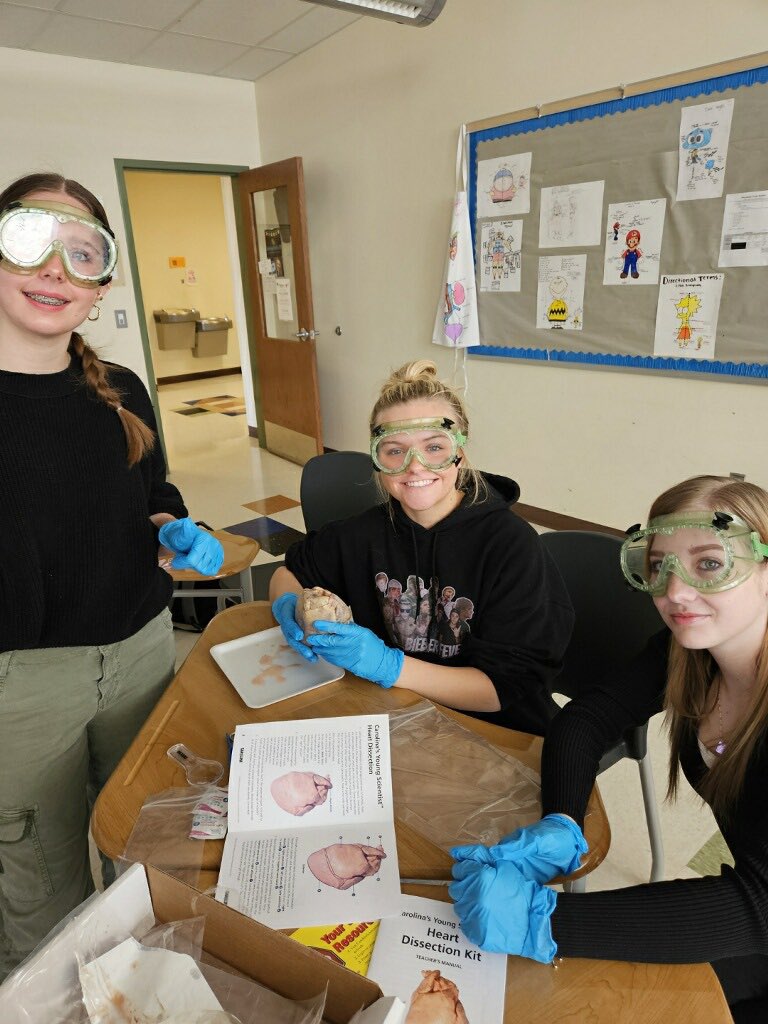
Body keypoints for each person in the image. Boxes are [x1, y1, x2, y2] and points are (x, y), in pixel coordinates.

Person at [0, 172, 223, 979]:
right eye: (30, 241)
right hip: (20, 688)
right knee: (40, 884)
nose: (56, 269)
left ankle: (144, 987)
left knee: (146, 841)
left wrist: (171, 527)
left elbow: (152, 493)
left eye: (81, 251)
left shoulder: (120, 389)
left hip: (139, 655)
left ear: (101, 283)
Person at [449, 475, 768, 1023]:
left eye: (709, 564)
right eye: (659, 565)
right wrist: (562, 821)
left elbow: (759, 906)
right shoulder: (687, 652)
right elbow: (588, 717)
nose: (675, 592)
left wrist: (543, 920)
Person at [270, 359, 573, 731]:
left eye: (434, 448)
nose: (415, 467)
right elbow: (288, 572)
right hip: (390, 713)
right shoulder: (360, 534)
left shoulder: (511, 545)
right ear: (378, 460)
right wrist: (288, 606)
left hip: (489, 728)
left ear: (460, 450)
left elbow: (503, 690)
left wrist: (389, 665)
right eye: (394, 450)